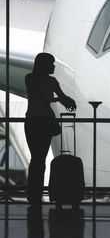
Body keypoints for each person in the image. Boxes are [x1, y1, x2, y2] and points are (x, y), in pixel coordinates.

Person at [24, 52, 76, 206]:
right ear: (45, 64)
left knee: (36, 158)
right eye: (51, 63)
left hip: (32, 121)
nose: (53, 66)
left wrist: (57, 98)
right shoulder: (52, 82)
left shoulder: (30, 78)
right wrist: (62, 99)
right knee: (41, 158)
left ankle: (33, 194)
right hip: (45, 122)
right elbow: (61, 96)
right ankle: (36, 193)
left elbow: (37, 94)